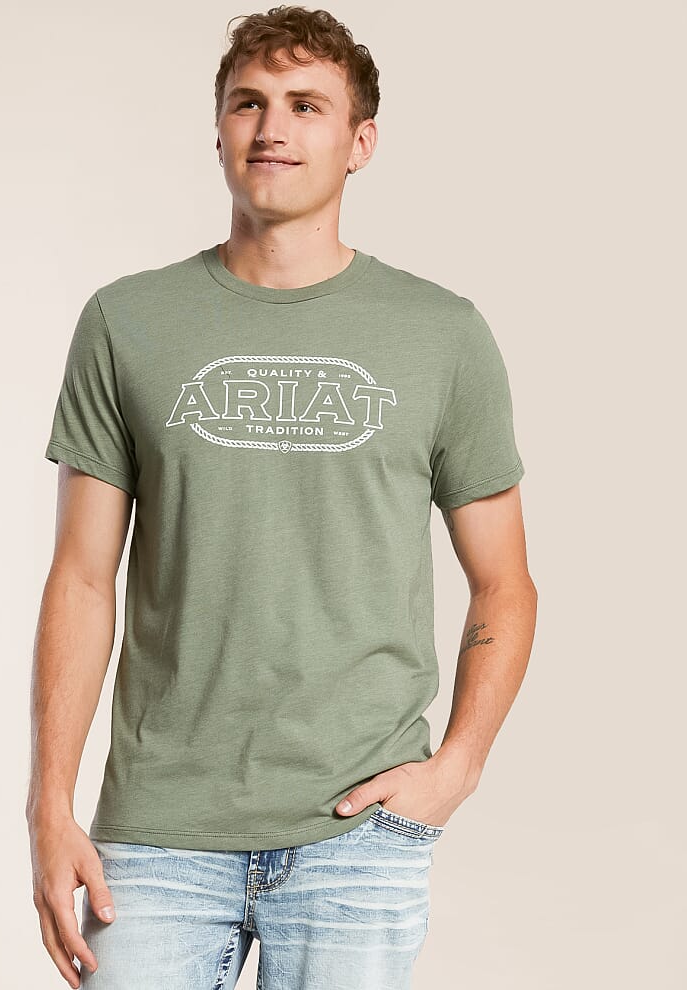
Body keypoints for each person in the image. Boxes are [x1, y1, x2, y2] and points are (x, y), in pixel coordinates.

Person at [26, 5, 538, 989]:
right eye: (247, 103)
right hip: (157, 833)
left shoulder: (441, 335)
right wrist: (49, 808)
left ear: (359, 143)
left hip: (356, 832)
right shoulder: (127, 323)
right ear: (217, 129)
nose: (271, 128)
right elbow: (82, 580)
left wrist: (458, 766)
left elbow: (504, 582)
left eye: (306, 105)